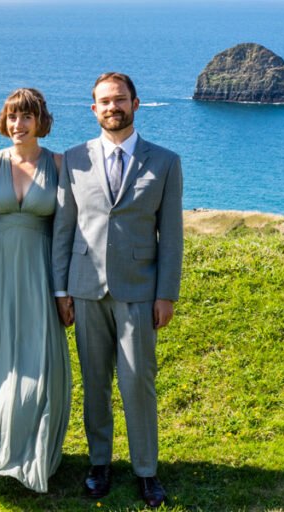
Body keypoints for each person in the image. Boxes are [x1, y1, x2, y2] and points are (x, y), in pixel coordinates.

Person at [52, 72, 183, 508]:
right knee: (94, 385)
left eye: (120, 100)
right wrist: (61, 290)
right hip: (86, 291)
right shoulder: (72, 159)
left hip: (139, 293)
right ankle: (99, 464)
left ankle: (146, 471)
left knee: (137, 384)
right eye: (105, 101)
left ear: (135, 104)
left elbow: (172, 235)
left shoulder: (165, 161)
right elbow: (64, 230)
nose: (113, 107)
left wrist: (166, 294)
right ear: (94, 109)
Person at [0, 88, 71, 492]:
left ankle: (37, 454)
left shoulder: (60, 165)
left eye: (26, 117)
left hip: (41, 274)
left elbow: (68, 230)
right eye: (12, 117)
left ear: (40, 121)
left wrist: (65, 289)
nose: (18, 125)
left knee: (41, 365)